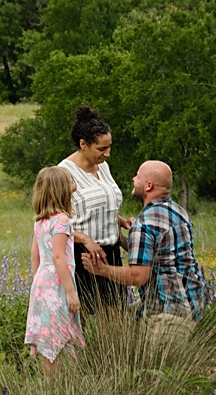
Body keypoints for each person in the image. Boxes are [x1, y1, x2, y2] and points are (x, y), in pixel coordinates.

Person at [82, 160, 205, 321]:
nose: (133, 179)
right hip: (192, 303)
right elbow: (157, 253)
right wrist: (122, 239)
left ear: (149, 186)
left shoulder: (145, 222)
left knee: (121, 329)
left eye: (138, 176)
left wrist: (101, 269)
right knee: (121, 320)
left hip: (168, 313)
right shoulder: (179, 212)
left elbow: (138, 276)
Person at [58, 106, 127, 314]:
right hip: (81, 256)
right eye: (101, 149)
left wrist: (120, 221)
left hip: (111, 253)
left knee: (116, 321)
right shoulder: (63, 172)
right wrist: (85, 240)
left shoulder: (103, 166)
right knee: (81, 322)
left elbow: (99, 205)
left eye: (109, 147)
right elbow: (53, 220)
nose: (107, 153)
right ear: (83, 144)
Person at [25, 166, 84, 376]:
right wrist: (70, 291)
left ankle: (50, 381)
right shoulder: (62, 221)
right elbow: (59, 256)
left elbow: (35, 255)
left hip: (42, 281)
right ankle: (62, 385)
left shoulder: (40, 221)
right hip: (58, 283)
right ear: (63, 191)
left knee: (47, 336)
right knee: (60, 334)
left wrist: (37, 281)